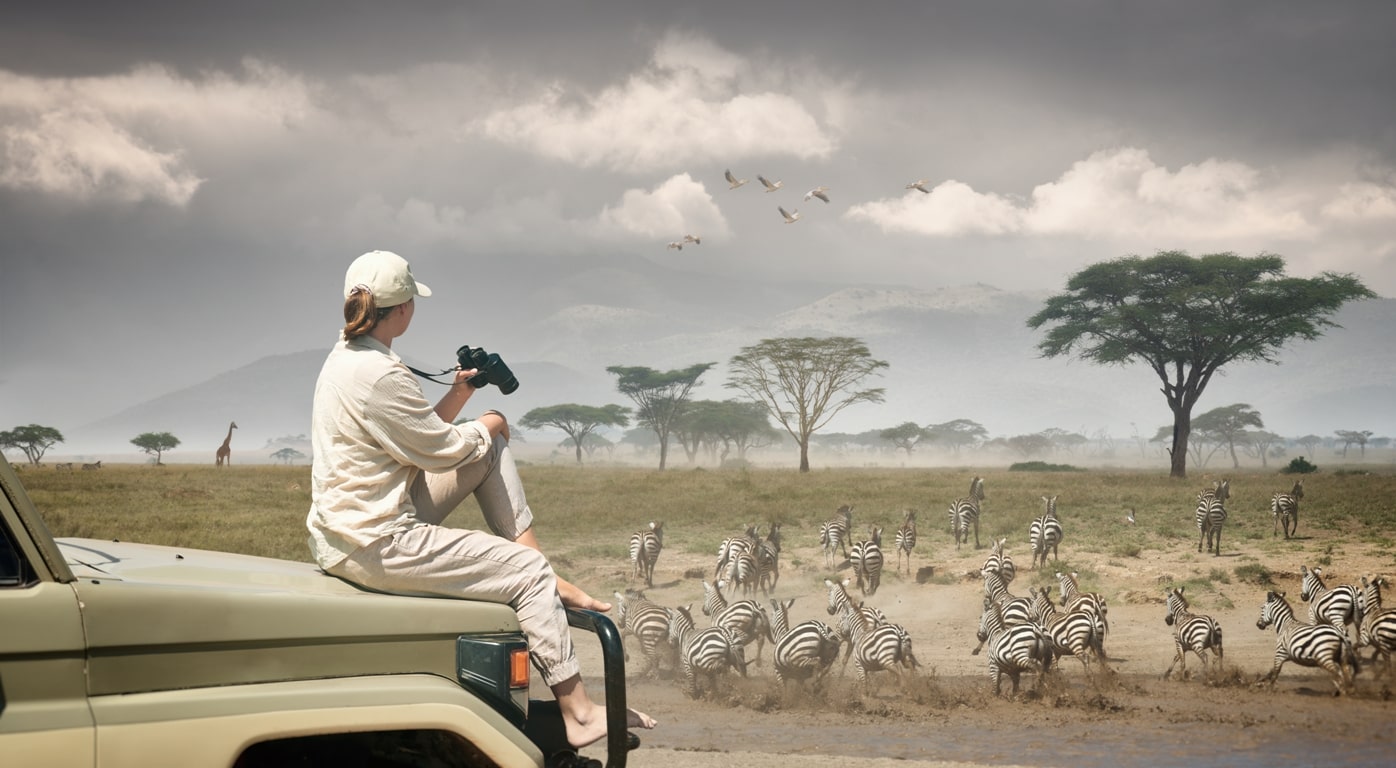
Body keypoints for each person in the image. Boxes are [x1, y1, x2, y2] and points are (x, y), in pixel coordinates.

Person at [306, 249, 656, 749]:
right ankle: (578, 710)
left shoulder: (347, 358)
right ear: (403, 309)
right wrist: (490, 421)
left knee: (486, 449)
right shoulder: (382, 375)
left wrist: (461, 394)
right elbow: (439, 451)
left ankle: (541, 573)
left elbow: (414, 437)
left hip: (348, 527)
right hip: (378, 540)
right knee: (523, 560)